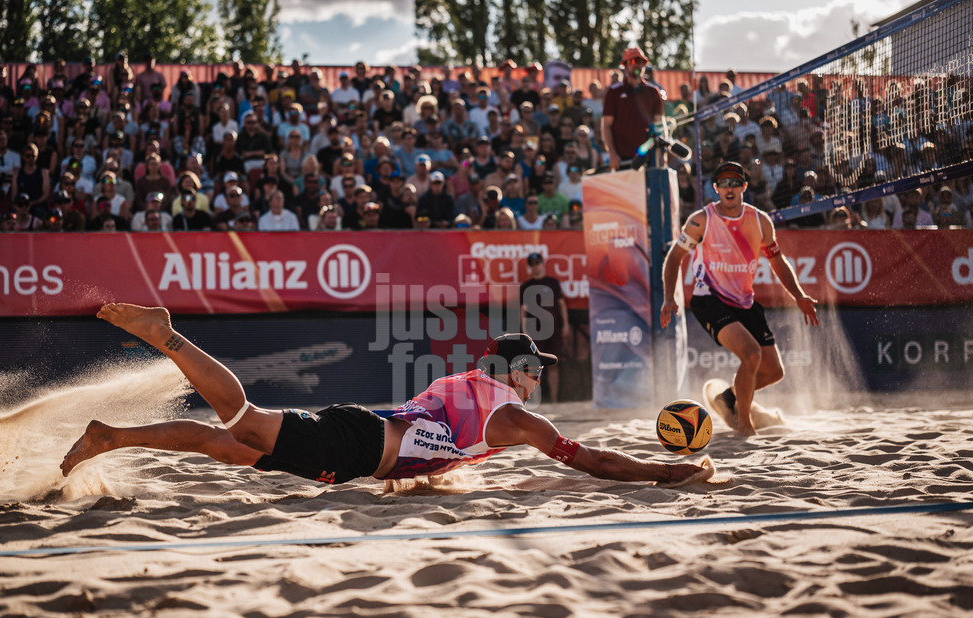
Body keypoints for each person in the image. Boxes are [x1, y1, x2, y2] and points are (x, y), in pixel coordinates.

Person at [60, 304, 707, 488]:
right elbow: (589, 460)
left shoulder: (463, 382)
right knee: (246, 423)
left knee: (225, 447)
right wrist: (664, 470)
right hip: (360, 446)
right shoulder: (513, 412)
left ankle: (109, 436)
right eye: (534, 366)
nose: (539, 375)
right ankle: (167, 335)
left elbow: (434, 442)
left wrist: (426, 475)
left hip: (367, 435)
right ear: (515, 368)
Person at [659, 161, 820, 437]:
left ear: (744, 186)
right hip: (709, 299)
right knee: (752, 354)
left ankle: (728, 398)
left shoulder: (760, 221)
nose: (729, 187)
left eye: (735, 182)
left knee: (773, 371)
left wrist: (799, 295)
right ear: (716, 189)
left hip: (745, 301)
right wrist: (668, 298)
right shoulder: (701, 220)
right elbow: (673, 258)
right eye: (724, 183)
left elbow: (778, 262)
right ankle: (745, 425)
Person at [601, 47, 664, 172]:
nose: (638, 66)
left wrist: (662, 153)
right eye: (633, 62)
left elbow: (659, 125)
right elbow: (606, 126)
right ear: (625, 65)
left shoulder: (653, 92)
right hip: (622, 159)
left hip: (649, 159)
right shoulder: (614, 92)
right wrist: (612, 154)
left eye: (641, 62)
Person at [520, 252, 571, 403]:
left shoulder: (553, 282)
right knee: (534, 366)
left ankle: (554, 401)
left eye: (537, 263)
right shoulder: (526, 286)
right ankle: (536, 402)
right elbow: (523, 309)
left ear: (542, 264)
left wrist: (566, 324)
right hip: (535, 330)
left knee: (554, 365)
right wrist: (524, 330)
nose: (535, 266)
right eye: (532, 264)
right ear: (530, 267)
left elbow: (562, 305)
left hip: (554, 329)